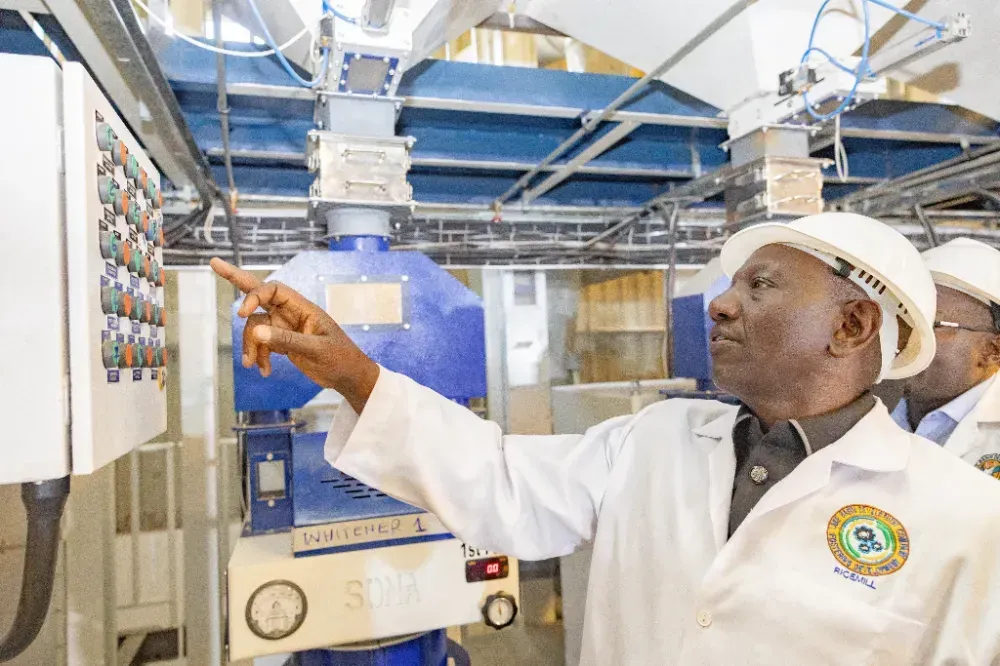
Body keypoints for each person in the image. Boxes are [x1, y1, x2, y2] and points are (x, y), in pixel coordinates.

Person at [211, 213, 1000, 665]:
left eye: (759, 286)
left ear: (853, 325)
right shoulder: (658, 438)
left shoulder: (964, 517)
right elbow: (501, 484)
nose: (719, 308)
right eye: (728, 287)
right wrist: (352, 371)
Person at [892, 237, 1000, 479]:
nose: (904, 335)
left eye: (932, 324)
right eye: (903, 318)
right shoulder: (863, 405)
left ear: (994, 350)